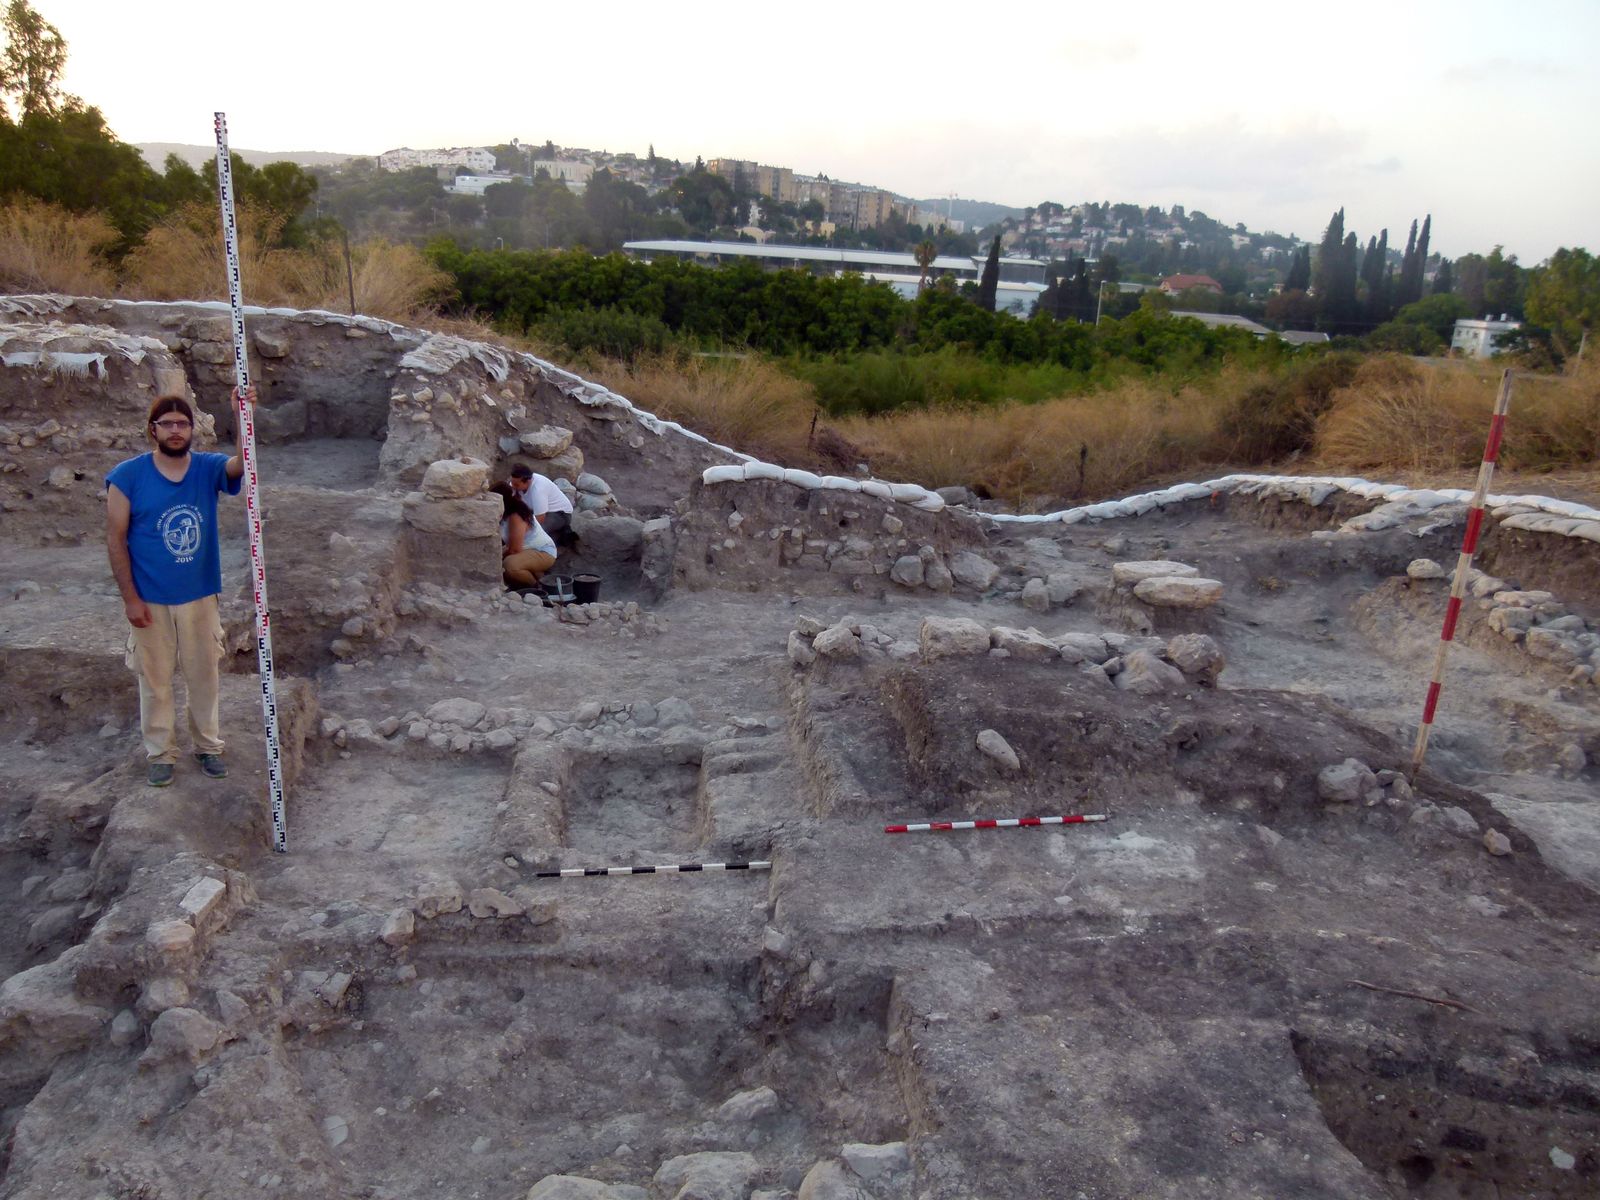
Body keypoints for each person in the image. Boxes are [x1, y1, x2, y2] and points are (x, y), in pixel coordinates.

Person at [106, 385, 254, 787]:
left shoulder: (206, 468)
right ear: (152, 430)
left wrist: (241, 411)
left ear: (192, 430)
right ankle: (161, 754)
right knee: (154, 681)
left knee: (204, 676)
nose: (176, 430)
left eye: (182, 424)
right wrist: (130, 599)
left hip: (199, 596)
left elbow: (243, 464)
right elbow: (115, 539)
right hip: (150, 598)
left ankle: (208, 747)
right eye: (167, 424)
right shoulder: (127, 477)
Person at [491, 482, 557, 590]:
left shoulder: (516, 516)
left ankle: (537, 588)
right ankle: (536, 574)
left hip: (543, 551)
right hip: (527, 550)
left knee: (510, 566)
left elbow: (515, 549)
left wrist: (499, 557)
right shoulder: (506, 513)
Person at [508, 463, 574, 546]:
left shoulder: (538, 490)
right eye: (512, 483)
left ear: (528, 482)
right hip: (535, 509)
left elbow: (540, 519)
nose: (513, 486)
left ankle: (558, 536)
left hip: (559, 514)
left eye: (516, 485)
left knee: (534, 533)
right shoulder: (517, 482)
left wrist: (522, 531)